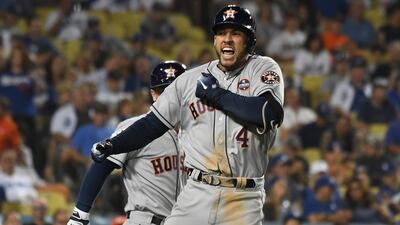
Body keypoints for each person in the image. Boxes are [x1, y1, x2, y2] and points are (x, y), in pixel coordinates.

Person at [91, 5, 284, 225]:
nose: (227, 39)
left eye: (236, 33)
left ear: (249, 39)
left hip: (243, 197)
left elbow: (268, 113)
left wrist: (217, 95)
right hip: (197, 192)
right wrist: (113, 145)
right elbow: (152, 124)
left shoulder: (263, 68)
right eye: (221, 33)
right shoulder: (190, 79)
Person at [67, 61, 187, 225]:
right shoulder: (136, 128)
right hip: (146, 220)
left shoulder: (195, 132)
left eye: (176, 92)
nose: (171, 98)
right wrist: (80, 215)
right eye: (163, 91)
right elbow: (102, 164)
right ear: (153, 94)